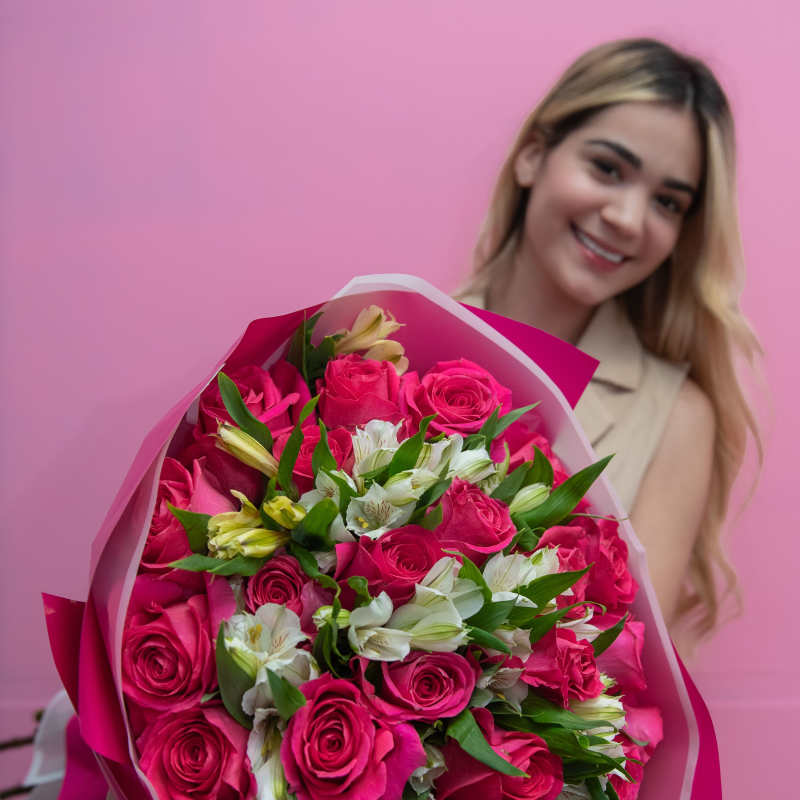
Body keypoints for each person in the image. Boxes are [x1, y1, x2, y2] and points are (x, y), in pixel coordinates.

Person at [458, 38, 760, 646]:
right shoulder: (391, 341)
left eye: (667, 202)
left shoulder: (677, 416)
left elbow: (623, 664)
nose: (627, 217)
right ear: (534, 156)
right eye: (607, 168)